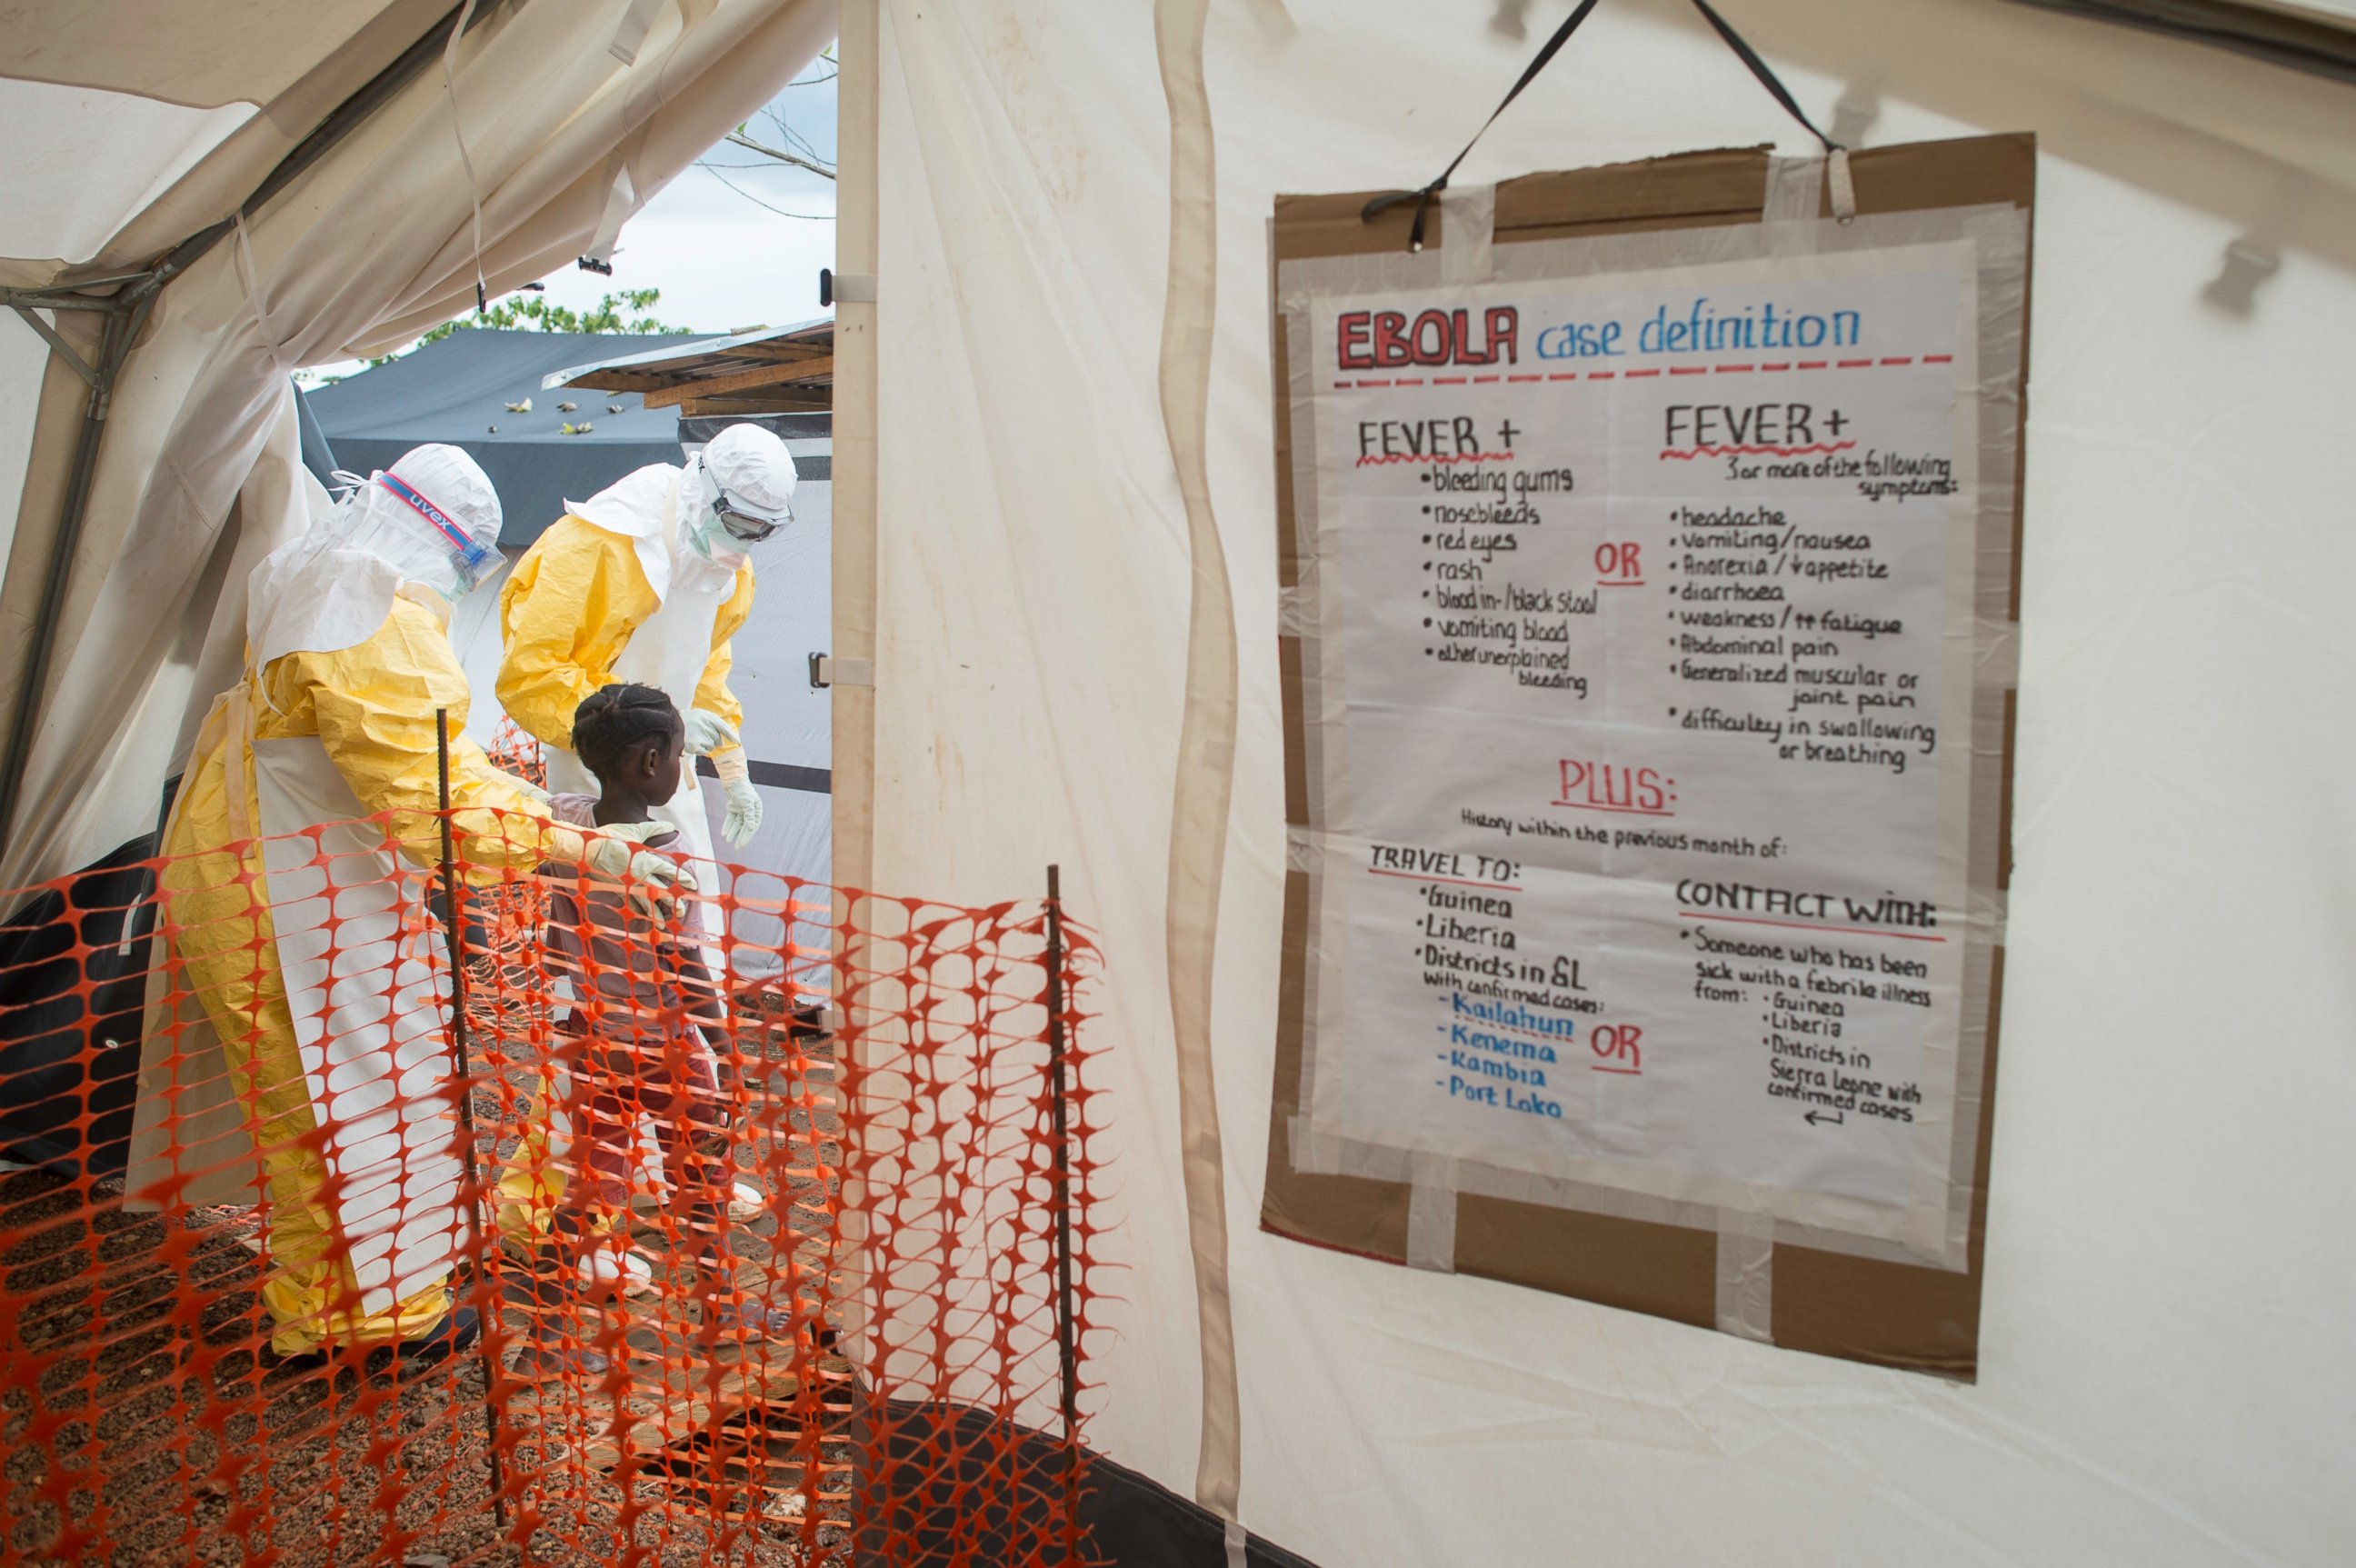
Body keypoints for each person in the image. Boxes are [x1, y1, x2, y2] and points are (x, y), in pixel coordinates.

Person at [124, 444, 693, 1368]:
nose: (467, 581)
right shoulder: (370, 612)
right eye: (475, 561)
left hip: (260, 861)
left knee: (325, 1104)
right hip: (296, 892)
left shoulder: (303, 571)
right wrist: (577, 846)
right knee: (361, 1096)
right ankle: (366, 1324)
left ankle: (336, 1305)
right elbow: (429, 795)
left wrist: (543, 815)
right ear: (449, 543)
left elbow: (426, 770)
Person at [492, 423, 795, 1235]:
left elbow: (711, 668)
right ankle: (564, 1197)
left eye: (759, 532)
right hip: (596, 773)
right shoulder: (603, 539)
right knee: (600, 996)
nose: (742, 545)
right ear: (704, 487)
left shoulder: (730, 562)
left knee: (695, 953)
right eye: (738, 524)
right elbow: (528, 675)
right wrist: (628, 748)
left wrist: (727, 760)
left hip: (669, 766)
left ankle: (689, 1164)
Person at [512, 684, 798, 1375]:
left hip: (593, 1037)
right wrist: (726, 1055)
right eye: (679, 755)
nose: (682, 768)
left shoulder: (566, 825)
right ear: (649, 761)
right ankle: (719, 1308)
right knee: (700, 1178)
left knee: (589, 1186)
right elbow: (686, 966)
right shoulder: (666, 856)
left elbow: (555, 936)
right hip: (667, 1048)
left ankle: (544, 1341)